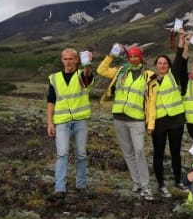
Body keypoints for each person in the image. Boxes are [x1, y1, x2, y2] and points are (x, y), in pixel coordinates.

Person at [97, 44, 156, 201]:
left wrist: (150, 124)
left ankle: (146, 186)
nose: (133, 59)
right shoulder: (120, 71)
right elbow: (101, 70)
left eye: (136, 56)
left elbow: (151, 101)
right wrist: (112, 54)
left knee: (139, 151)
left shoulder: (149, 75)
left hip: (136, 119)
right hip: (119, 117)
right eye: (130, 56)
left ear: (141, 57)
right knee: (128, 153)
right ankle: (136, 182)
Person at [46, 48, 94, 200]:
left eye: (71, 59)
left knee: (80, 155)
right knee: (62, 154)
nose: (68, 62)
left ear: (77, 60)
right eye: (65, 59)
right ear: (62, 60)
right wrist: (50, 122)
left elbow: (87, 74)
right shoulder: (54, 78)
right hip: (62, 122)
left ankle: (81, 186)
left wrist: (88, 63)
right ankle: (59, 188)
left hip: (80, 121)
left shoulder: (82, 75)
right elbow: (50, 101)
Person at [151, 48, 187, 198]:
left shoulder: (173, 76)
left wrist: (181, 44)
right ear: (156, 65)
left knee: (175, 152)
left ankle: (178, 180)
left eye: (165, 63)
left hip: (175, 120)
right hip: (159, 121)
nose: (163, 65)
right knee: (158, 153)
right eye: (160, 63)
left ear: (169, 66)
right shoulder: (150, 80)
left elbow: (179, 59)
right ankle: (161, 184)